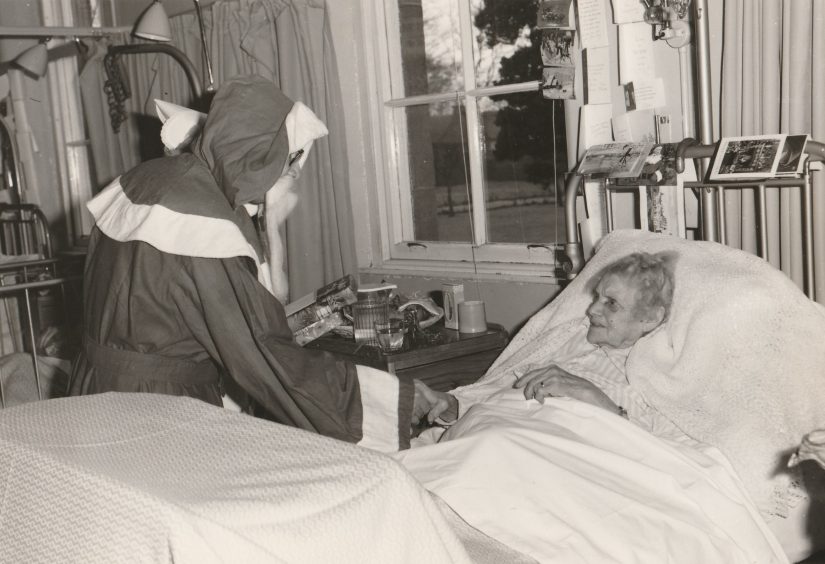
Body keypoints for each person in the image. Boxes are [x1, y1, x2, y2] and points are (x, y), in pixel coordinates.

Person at [69, 75, 418, 452]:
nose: (296, 172)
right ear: (259, 157)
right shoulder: (205, 224)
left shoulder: (147, 179)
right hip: (158, 410)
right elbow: (267, 353)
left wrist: (269, 223)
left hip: (93, 390)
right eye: (290, 161)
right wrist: (403, 400)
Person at [414, 252, 675, 428]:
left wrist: (586, 392)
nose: (593, 309)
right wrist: (450, 406)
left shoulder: (660, 370)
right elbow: (500, 386)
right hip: (496, 427)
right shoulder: (567, 339)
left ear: (650, 318)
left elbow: (657, 446)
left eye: (612, 304)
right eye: (596, 297)